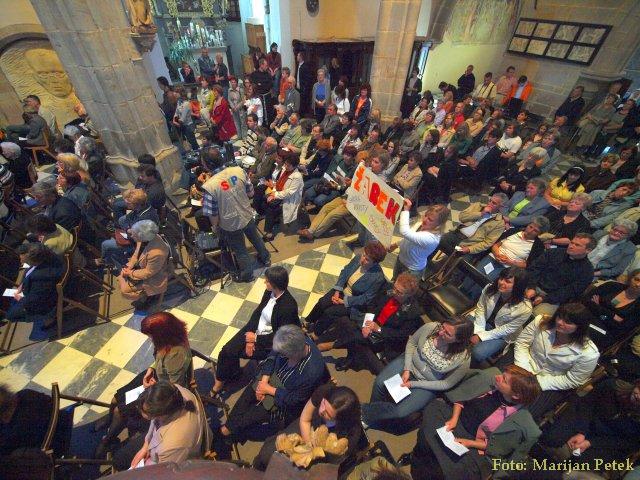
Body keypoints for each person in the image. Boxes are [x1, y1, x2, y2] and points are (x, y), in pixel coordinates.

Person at [411, 365, 542, 480]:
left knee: (450, 470)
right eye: (503, 374)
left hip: (475, 443)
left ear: (516, 395)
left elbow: (497, 447)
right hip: (456, 419)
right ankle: (415, 459)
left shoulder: (523, 424)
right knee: (427, 435)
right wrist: (454, 418)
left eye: (504, 380)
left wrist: (470, 443)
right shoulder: (490, 378)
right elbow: (463, 393)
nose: (497, 377)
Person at [98, 312, 193, 460]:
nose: (150, 339)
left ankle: (107, 440)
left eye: (151, 336)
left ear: (162, 335)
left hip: (161, 388)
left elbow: (175, 386)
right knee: (116, 398)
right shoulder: (169, 341)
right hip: (156, 376)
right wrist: (151, 368)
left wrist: (152, 387)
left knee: (120, 410)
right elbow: (160, 360)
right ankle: (109, 421)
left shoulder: (176, 355)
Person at [218, 325, 328, 447]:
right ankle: (227, 431)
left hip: (281, 400)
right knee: (244, 401)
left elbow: (293, 399)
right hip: (269, 378)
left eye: (284, 354)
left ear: (294, 353)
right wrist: (264, 380)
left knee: (250, 417)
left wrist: (269, 390)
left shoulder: (312, 372)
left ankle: (226, 432)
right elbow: (272, 356)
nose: (280, 354)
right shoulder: (288, 339)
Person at [361, 316, 474, 431]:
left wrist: (413, 384)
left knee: (400, 411)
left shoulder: (463, 358)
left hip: (427, 383)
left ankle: (363, 411)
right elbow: (412, 343)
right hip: (410, 363)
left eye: (448, 334)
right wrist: (407, 369)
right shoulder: (431, 327)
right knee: (380, 383)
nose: (440, 332)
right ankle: (371, 416)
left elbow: (446, 383)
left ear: (458, 340)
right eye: (442, 327)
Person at [211, 266, 299, 395]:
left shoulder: (288, 307)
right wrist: (251, 335)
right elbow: (258, 312)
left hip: (268, 342)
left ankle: (219, 385)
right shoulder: (269, 292)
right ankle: (230, 376)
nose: (264, 282)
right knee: (226, 350)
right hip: (254, 331)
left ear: (275, 284)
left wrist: (256, 339)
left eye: (267, 281)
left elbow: (281, 337)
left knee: (233, 352)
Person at [532, 377, 640, 479]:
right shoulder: (612, 386)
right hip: (585, 419)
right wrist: (582, 431)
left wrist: (590, 442)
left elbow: (626, 443)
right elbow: (586, 404)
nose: (639, 396)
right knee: (551, 438)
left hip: (607, 442)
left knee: (581, 467)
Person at [512, 303, 600, 420]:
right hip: (524, 363)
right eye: (559, 317)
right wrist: (522, 369)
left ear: (580, 327)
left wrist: (538, 382)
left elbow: (573, 380)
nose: (559, 322)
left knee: (521, 414)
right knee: (499, 386)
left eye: (567, 322)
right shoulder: (541, 321)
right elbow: (522, 343)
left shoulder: (589, 353)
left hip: (551, 383)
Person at [253, 385, 361, 471]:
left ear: (339, 420)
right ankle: (256, 468)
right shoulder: (324, 391)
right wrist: (308, 445)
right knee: (267, 453)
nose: (321, 410)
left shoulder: (350, 434)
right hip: (309, 425)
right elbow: (305, 418)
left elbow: (332, 462)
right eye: (323, 404)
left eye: (328, 413)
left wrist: (313, 455)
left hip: (324, 453)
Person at [201, 149, 270, 282]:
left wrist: (215, 227)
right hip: (246, 213)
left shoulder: (209, 186)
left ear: (207, 165)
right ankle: (266, 258)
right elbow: (251, 193)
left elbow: (213, 214)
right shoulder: (238, 170)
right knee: (256, 238)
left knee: (240, 250)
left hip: (230, 223)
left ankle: (247, 275)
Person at [333, 273, 423, 374]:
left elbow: (401, 335)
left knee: (356, 336)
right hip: (373, 324)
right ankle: (351, 356)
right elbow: (373, 306)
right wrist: (367, 325)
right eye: (394, 288)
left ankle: (340, 351)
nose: (394, 292)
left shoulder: (413, 311)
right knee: (349, 327)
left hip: (387, 338)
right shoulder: (388, 289)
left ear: (409, 295)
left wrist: (379, 329)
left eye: (399, 292)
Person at [305, 241, 388, 341]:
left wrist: (344, 301)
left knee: (330, 312)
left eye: (367, 259)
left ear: (375, 263)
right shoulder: (358, 258)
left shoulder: (378, 277)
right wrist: (337, 291)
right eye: (363, 255)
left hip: (353, 302)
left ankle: (316, 334)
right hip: (342, 291)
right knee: (322, 302)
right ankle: (308, 321)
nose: (362, 259)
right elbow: (345, 272)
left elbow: (366, 298)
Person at [297, 152, 389, 242]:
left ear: (383, 165)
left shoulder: (381, 181)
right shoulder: (367, 169)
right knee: (326, 207)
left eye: (376, 162)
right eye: (372, 160)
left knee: (333, 214)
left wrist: (350, 200)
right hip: (347, 195)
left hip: (357, 204)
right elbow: (355, 183)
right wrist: (348, 181)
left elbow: (369, 199)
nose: (372, 163)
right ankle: (310, 230)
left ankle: (313, 233)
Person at [118, 381, 208, 470]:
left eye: (145, 412)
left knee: (120, 461)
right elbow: (154, 422)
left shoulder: (173, 445)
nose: (140, 410)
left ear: (160, 415)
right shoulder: (172, 391)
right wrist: (145, 446)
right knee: (120, 458)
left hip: (171, 459)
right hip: (160, 446)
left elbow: (165, 472)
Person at [468, 267, 532, 363]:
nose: (501, 282)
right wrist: (479, 331)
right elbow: (481, 308)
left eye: (507, 281)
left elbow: (506, 329)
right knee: (459, 330)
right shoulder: (490, 288)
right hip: (482, 321)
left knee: (477, 353)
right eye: (501, 278)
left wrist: (480, 336)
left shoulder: (525, 308)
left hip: (501, 334)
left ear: (518, 286)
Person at [525, 233, 595, 317]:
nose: (571, 246)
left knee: (538, 316)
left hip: (552, 298)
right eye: (571, 242)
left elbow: (570, 292)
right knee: (514, 296)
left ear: (588, 250)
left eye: (577, 245)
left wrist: (545, 298)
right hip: (533, 285)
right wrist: (531, 287)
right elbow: (534, 269)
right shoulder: (554, 252)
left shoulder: (587, 271)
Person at [4, 243, 63, 331]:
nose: (22, 263)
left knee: (10, 315)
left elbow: (32, 302)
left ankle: (49, 317)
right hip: (43, 291)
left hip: (48, 302)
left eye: (26, 262)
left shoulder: (41, 278)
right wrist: (22, 285)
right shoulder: (50, 256)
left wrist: (18, 297)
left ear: (35, 261)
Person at [388, 200, 449, 280]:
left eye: (430, 219)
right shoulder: (422, 225)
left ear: (439, 224)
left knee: (401, 287)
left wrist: (406, 210)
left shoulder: (431, 238)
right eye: (426, 215)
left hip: (411, 270)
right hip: (401, 260)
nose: (425, 220)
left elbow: (405, 232)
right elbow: (409, 238)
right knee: (394, 280)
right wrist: (396, 244)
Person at [100, 188, 159, 271]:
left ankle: (126, 269)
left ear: (136, 205)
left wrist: (128, 230)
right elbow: (128, 219)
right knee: (121, 220)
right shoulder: (143, 206)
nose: (126, 205)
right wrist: (128, 229)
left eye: (128, 203)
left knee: (106, 245)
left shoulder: (144, 219)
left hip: (142, 246)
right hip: (136, 234)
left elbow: (138, 241)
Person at [583, 269, 640, 351]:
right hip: (588, 316)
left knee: (582, 328)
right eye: (637, 279)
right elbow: (586, 300)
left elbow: (620, 329)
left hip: (606, 332)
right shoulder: (612, 286)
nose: (638, 284)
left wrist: (598, 307)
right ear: (631, 278)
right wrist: (612, 316)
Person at [117, 220, 170, 305]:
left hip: (156, 276)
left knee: (124, 290)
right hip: (144, 268)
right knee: (120, 276)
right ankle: (143, 295)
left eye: (134, 234)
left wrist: (130, 273)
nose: (131, 236)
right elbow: (136, 255)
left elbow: (148, 272)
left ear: (142, 236)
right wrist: (129, 266)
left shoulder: (156, 253)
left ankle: (144, 297)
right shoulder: (145, 238)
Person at [438, 194, 507, 256]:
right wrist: (481, 213)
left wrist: (469, 249)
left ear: (501, 207)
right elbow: (461, 217)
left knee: (455, 252)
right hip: (455, 233)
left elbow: (487, 243)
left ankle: (451, 260)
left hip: (466, 244)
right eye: (490, 201)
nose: (489, 204)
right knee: (438, 241)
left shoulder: (499, 223)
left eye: (494, 203)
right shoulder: (478, 206)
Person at [0, 384, 55, 456]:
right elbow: (51, 402)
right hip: (64, 422)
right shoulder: (27, 394)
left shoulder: (10, 436)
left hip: (51, 451)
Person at [262, 155, 304, 239]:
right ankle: (274, 219)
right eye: (285, 164)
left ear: (294, 166)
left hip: (289, 199)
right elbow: (279, 183)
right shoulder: (285, 170)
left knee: (271, 206)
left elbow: (289, 193)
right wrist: (273, 192)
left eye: (288, 165)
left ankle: (269, 232)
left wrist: (275, 195)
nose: (285, 166)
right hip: (279, 192)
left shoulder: (297, 177)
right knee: (263, 198)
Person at [172, 87, 199, 151]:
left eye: (176, 92)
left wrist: (177, 122)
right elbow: (176, 112)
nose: (174, 94)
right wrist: (174, 120)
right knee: (187, 144)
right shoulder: (179, 102)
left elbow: (182, 118)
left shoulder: (186, 103)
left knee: (192, 143)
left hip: (188, 125)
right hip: (182, 126)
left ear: (180, 93)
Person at [295, 51, 313, 116]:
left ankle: (303, 115)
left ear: (301, 57)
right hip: (298, 88)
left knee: (303, 104)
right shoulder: (298, 65)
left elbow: (308, 79)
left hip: (303, 89)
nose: (297, 57)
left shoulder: (305, 66)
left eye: (298, 56)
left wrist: (304, 88)